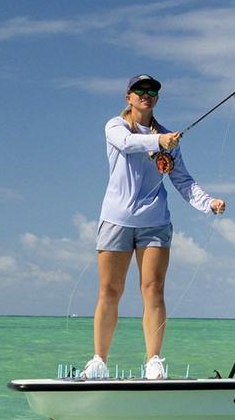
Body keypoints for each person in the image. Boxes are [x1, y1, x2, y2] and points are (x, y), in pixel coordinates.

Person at [81, 74, 226, 380]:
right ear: (129, 97)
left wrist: (208, 202)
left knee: (153, 289)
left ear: (157, 98)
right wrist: (159, 141)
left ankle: (153, 361)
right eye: (139, 90)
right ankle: (99, 361)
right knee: (110, 290)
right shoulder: (116, 126)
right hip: (116, 220)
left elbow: (183, 180)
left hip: (155, 222)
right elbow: (127, 144)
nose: (146, 94)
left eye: (152, 91)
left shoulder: (168, 140)